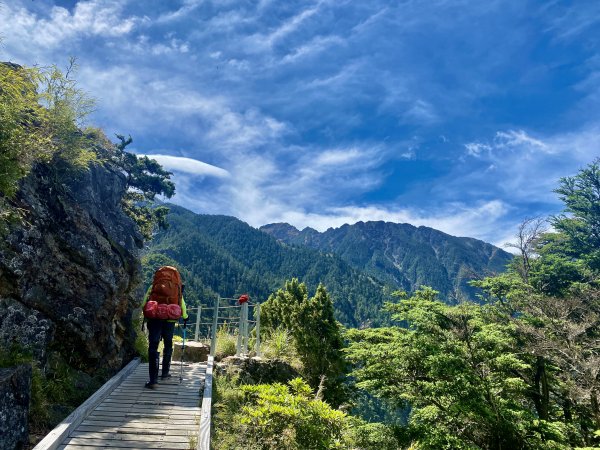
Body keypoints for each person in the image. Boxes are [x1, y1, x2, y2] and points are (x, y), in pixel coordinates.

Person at [142, 268, 188, 389]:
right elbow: (181, 302)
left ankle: (153, 380)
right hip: (170, 319)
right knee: (168, 343)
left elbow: (145, 301)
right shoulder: (176, 287)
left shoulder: (154, 286)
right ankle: (165, 373)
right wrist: (185, 317)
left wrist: (147, 315)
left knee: (153, 346)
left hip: (155, 318)